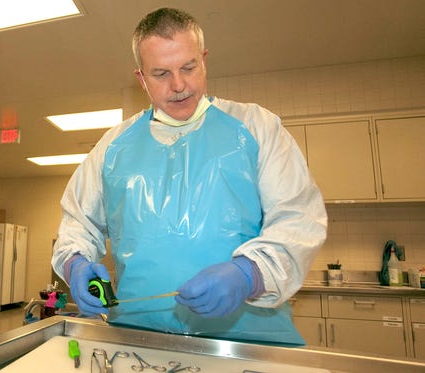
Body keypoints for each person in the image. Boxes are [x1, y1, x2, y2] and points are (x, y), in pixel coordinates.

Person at [51, 7, 327, 345]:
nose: (179, 85)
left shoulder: (256, 128)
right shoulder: (112, 147)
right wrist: (76, 264)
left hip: (248, 340)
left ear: (204, 60)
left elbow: (298, 220)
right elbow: (77, 223)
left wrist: (249, 274)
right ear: (141, 78)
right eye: (161, 73)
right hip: (140, 339)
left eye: (188, 67)